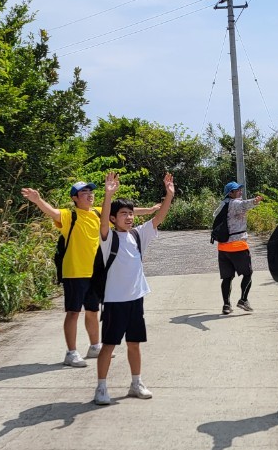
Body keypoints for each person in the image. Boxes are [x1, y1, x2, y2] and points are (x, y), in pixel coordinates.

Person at [21, 183, 158, 368]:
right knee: (73, 312)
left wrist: (149, 210)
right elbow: (52, 212)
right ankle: (71, 352)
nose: (89, 195)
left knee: (93, 311)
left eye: (90, 191)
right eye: (83, 192)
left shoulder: (97, 213)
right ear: (75, 198)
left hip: (96, 273)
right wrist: (38, 200)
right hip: (75, 272)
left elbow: (120, 211)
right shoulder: (70, 216)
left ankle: (94, 346)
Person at [92, 170, 175, 405]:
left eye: (130, 213)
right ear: (113, 218)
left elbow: (158, 218)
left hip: (136, 299)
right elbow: (103, 221)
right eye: (123, 214)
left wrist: (169, 195)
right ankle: (101, 388)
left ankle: (136, 383)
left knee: (134, 344)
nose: (129, 217)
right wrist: (108, 195)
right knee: (109, 345)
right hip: (114, 301)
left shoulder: (138, 235)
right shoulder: (109, 239)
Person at [213, 180, 263, 315]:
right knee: (248, 274)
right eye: (237, 190)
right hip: (238, 246)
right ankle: (243, 300)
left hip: (223, 247)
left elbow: (215, 216)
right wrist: (255, 201)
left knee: (227, 278)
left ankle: (226, 305)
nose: (240, 191)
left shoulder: (222, 204)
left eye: (240, 189)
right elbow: (244, 205)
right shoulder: (234, 203)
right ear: (230, 193)